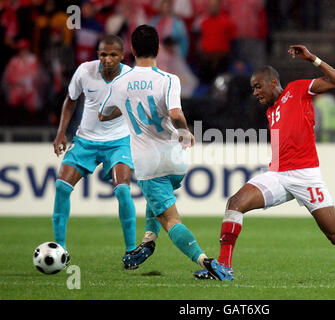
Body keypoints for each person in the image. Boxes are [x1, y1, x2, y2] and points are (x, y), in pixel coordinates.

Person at [194, 45, 335, 281]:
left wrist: (313, 59)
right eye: (252, 88)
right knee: (235, 203)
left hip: (306, 176)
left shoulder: (297, 89)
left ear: (273, 82)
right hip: (277, 175)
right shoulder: (270, 109)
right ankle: (224, 267)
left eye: (257, 86)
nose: (254, 92)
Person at [98, 24, 218, 273]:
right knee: (159, 194)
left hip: (147, 163)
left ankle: (206, 262)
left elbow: (103, 114)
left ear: (131, 49)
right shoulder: (168, 79)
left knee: (171, 220)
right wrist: (185, 132)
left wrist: (126, 105)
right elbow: (174, 113)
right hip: (175, 160)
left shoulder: (120, 83)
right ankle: (148, 241)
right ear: (158, 48)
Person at [52, 34, 152, 270]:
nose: (107, 59)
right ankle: (60, 250)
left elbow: (138, 107)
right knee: (61, 187)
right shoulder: (85, 71)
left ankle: (130, 253)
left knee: (123, 191)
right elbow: (71, 100)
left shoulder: (131, 76)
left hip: (119, 142)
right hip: (85, 140)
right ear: (97, 55)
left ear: (122, 56)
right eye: (103, 54)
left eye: (113, 55)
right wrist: (61, 132)